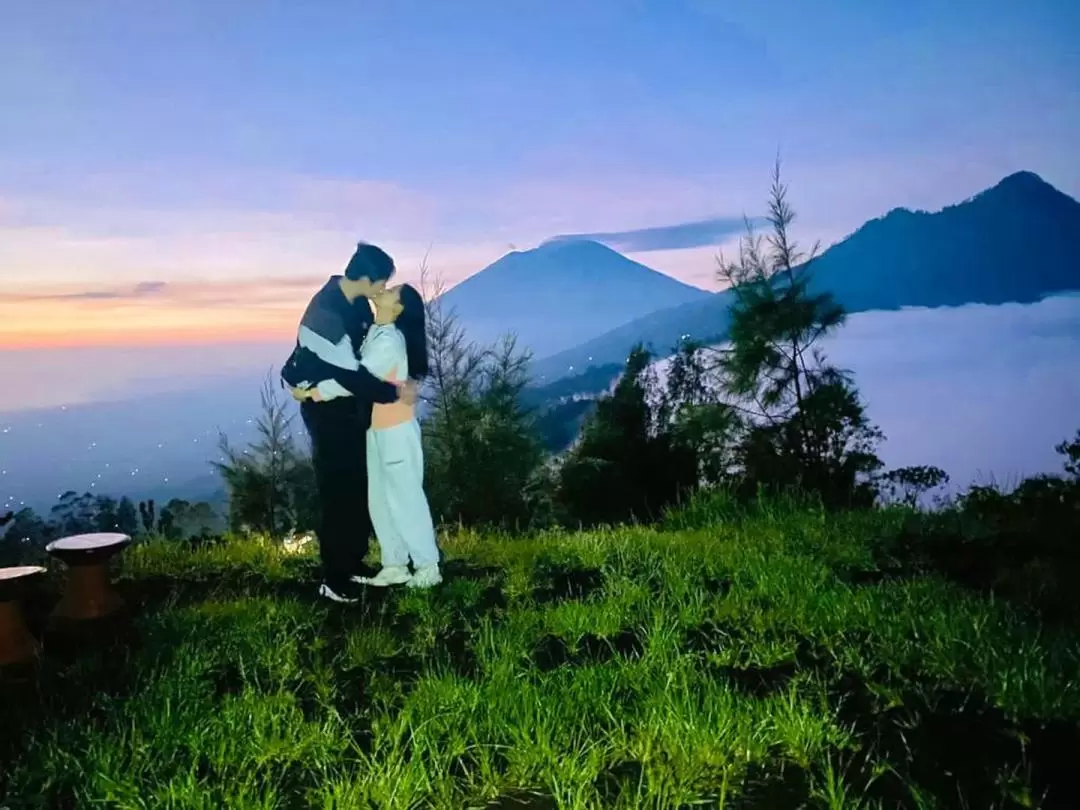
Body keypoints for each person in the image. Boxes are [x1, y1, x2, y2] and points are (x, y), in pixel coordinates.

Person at [281, 242, 418, 604]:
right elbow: (353, 376)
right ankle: (334, 577)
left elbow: (364, 361)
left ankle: (352, 562)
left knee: (357, 486)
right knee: (337, 489)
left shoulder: (354, 303)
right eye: (381, 283)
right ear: (367, 279)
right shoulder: (325, 314)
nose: (383, 291)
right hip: (329, 414)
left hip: (350, 408)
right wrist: (394, 393)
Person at [296, 283, 441, 589]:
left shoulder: (389, 340)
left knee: (406, 500)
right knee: (380, 501)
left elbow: (358, 380)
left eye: (392, 292)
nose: (384, 290)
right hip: (377, 430)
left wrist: (315, 393)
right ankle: (395, 564)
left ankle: (428, 567)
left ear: (398, 308)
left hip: (396, 432)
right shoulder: (377, 332)